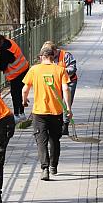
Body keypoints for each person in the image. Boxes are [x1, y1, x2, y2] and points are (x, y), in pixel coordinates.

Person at [22, 44, 72, 181]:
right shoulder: (60, 70)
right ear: (52, 57)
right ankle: (53, 166)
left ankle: (44, 168)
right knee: (55, 139)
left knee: (41, 141)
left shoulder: (34, 70)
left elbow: (25, 89)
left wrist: (24, 101)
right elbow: (66, 89)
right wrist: (68, 108)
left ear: (41, 57)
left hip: (39, 112)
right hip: (56, 112)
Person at [0, 31, 29, 121]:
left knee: (15, 94)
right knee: (21, 92)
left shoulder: (4, 52)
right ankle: (22, 113)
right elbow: (11, 54)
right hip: (24, 68)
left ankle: (16, 115)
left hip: (16, 74)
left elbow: (3, 67)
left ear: (0, 42)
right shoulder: (10, 41)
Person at [42, 41, 77, 136]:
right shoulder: (47, 57)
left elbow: (73, 69)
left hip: (69, 81)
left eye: (51, 53)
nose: (50, 56)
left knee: (66, 102)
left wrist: (60, 71)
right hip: (56, 82)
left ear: (55, 50)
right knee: (56, 102)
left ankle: (65, 125)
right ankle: (57, 123)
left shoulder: (66, 55)